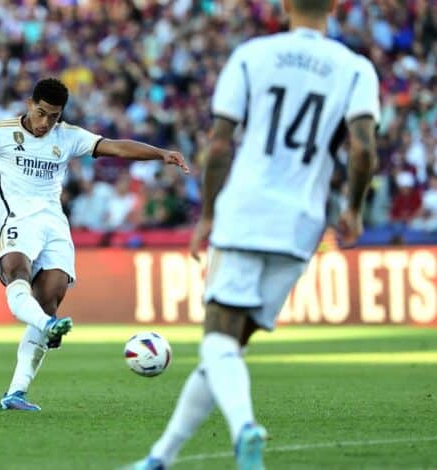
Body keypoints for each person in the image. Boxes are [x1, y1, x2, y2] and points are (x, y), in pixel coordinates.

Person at [127, 0, 380, 468]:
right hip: (303, 222)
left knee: (217, 340)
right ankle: (160, 458)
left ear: (284, 5)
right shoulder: (356, 68)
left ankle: (245, 428)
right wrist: (354, 208)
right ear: (335, 7)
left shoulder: (252, 55)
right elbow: (363, 149)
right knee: (227, 349)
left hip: (248, 210)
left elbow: (220, 143)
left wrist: (207, 215)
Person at [0, 78, 189, 411]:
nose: (45, 123)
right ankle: (48, 327)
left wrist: (160, 154)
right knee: (16, 273)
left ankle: (16, 393)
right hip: (18, 221)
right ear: (29, 104)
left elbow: (116, 146)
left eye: (53, 116)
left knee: (48, 300)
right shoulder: (0, 132)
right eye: (41, 113)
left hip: (54, 226)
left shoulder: (67, 137)